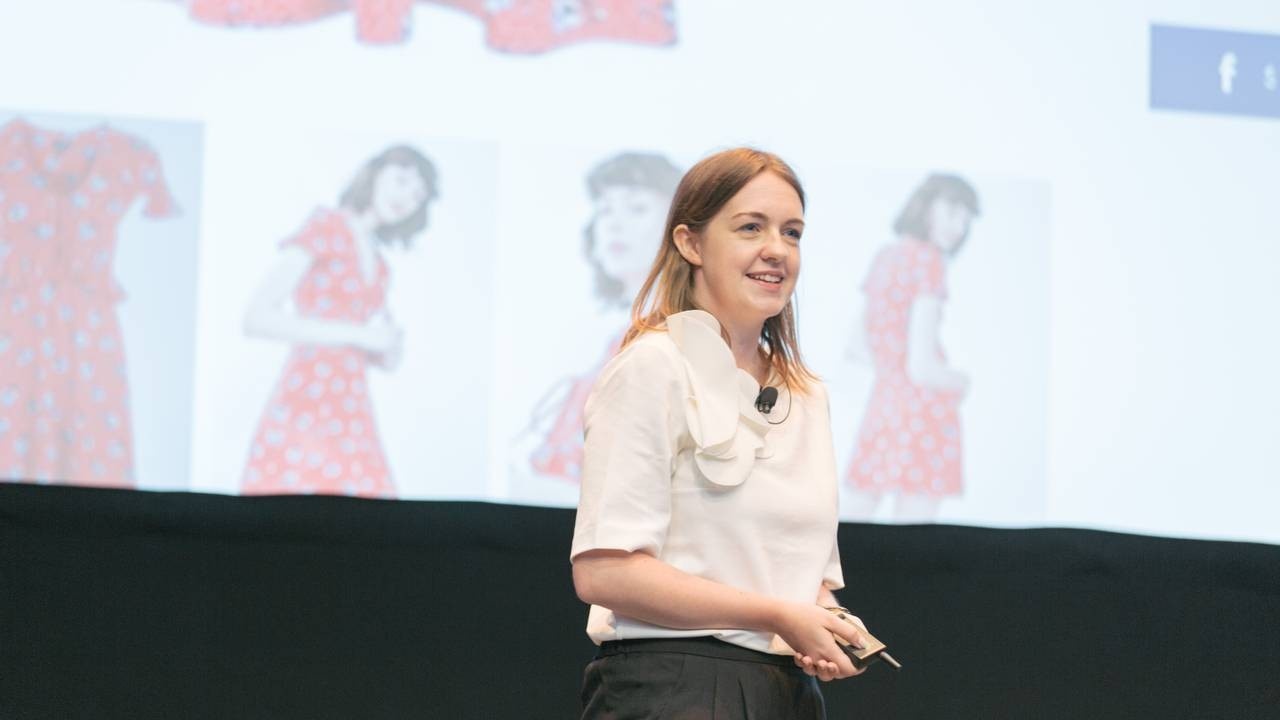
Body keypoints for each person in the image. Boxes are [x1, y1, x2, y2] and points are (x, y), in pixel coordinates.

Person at [571, 148, 870, 718]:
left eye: (792, 232)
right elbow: (603, 570)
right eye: (751, 227)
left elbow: (805, 577)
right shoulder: (652, 367)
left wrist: (828, 626)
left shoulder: (806, 393)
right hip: (674, 688)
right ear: (690, 243)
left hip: (787, 694)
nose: (777, 249)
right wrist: (775, 615)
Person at [239, 144, 438, 498]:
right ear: (375, 174)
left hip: (352, 405)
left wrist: (386, 347)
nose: (406, 198)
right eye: (402, 180)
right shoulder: (327, 225)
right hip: (307, 398)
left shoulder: (380, 264)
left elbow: (372, 349)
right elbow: (256, 317)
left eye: (417, 195)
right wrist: (359, 335)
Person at [522, 151, 682, 483]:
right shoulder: (615, 336)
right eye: (605, 210)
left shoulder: (682, 339)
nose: (614, 224)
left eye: (637, 209)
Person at [844, 174, 980, 522]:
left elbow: (857, 345)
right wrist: (961, 382)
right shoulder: (929, 262)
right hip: (924, 414)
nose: (959, 226)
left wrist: (893, 373)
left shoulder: (887, 256)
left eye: (966, 219)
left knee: (854, 522)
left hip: (885, 405)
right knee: (914, 536)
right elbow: (922, 368)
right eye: (952, 211)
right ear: (927, 204)